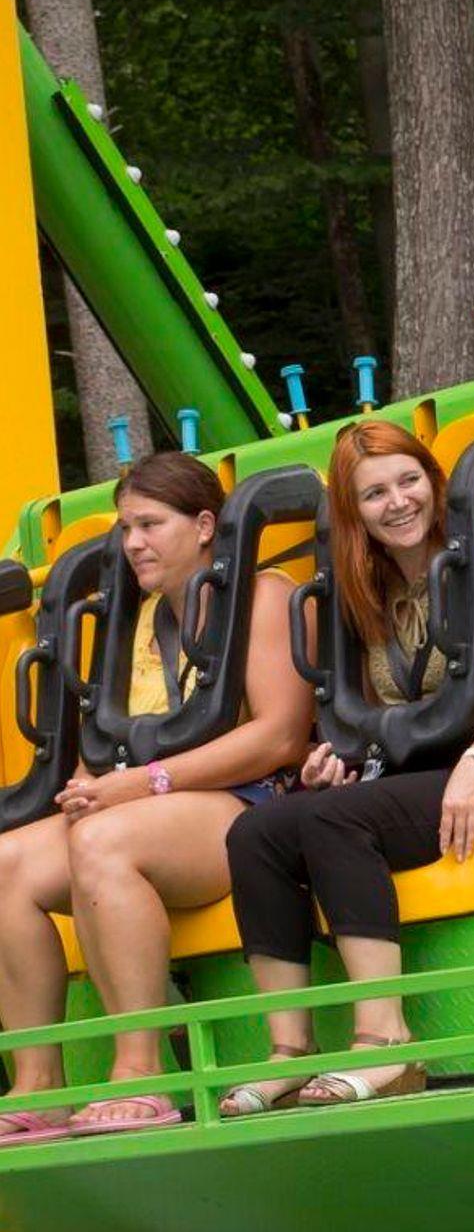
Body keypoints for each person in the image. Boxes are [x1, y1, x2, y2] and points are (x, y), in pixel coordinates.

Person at [221, 421, 474, 1111]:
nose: (397, 502)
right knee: (257, 831)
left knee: (333, 820)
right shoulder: (370, 591)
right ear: (353, 512)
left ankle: (386, 1038)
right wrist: (337, 759)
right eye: (374, 494)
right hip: (405, 775)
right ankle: (290, 1051)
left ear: (435, 483)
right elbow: (379, 716)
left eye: (408, 481)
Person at [0, 453, 312, 1141]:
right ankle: (38, 1083)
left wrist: (143, 784)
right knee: (6, 863)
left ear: (203, 526)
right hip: (145, 805)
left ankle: (140, 1073)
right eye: (125, 529)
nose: (134, 542)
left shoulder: (262, 595)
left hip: (250, 806)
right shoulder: (135, 619)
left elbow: (281, 735)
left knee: (104, 840)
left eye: (150, 525)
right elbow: (106, 737)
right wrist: (88, 786)